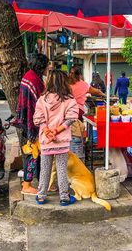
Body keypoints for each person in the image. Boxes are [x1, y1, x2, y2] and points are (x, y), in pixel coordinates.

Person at [33, 69, 79, 205]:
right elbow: (71, 118)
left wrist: (48, 132)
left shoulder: (42, 100)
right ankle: (64, 198)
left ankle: (41, 196)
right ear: (64, 82)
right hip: (62, 141)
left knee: (45, 169)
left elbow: (38, 118)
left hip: (46, 141)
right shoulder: (69, 100)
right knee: (61, 169)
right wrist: (57, 131)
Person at [16, 53, 49, 195]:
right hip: (31, 122)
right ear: (41, 66)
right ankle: (26, 185)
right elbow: (38, 103)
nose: (49, 67)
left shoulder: (32, 76)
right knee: (33, 152)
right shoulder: (33, 80)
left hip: (29, 120)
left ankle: (40, 181)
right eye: (47, 64)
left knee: (36, 152)